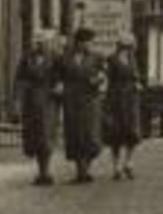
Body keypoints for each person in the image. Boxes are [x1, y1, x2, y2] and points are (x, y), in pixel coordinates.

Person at [58, 28, 104, 184]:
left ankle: (86, 169)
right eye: (88, 42)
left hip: (90, 100)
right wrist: (59, 85)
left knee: (90, 135)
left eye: (91, 42)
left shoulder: (97, 57)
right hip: (72, 100)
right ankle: (81, 171)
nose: (90, 45)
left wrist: (98, 80)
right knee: (75, 135)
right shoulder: (65, 58)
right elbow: (59, 75)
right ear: (79, 43)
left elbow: (104, 75)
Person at [15, 32, 60, 186]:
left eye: (43, 42)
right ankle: (41, 171)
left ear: (48, 43)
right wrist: (19, 99)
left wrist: (59, 86)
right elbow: (20, 78)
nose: (40, 45)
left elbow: (61, 76)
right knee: (35, 137)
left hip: (49, 101)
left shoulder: (55, 58)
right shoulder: (27, 58)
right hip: (31, 101)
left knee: (46, 135)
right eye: (37, 42)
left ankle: (45, 172)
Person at [103, 35, 144, 181]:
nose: (129, 48)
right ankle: (116, 167)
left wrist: (137, 82)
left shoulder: (132, 59)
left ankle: (128, 162)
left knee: (132, 132)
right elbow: (107, 78)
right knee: (116, 134)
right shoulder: (112, 59)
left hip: (131, 99)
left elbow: (136, 75)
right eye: (127, 45)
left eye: (130, 46)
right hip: (116, 98)